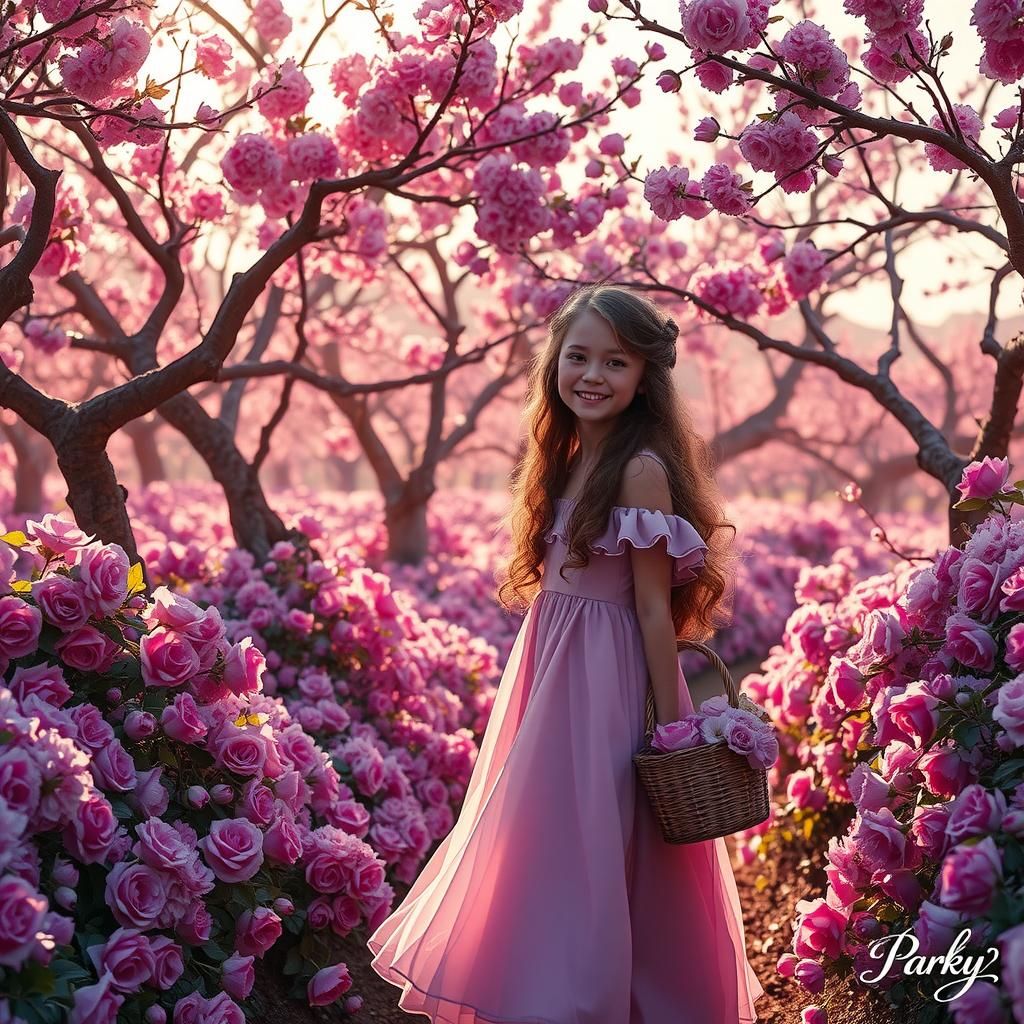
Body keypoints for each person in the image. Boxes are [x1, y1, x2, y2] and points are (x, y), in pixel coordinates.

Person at [366, 284, 765, 1023]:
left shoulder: (641, 468)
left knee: (604, 834)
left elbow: (650, 606)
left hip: (606, 672)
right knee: (546, 833)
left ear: (645, 376)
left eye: (615, 362)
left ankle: (596, 997)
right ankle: (542, 986)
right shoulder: (571, 454)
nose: (592, 375)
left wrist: (671, 720)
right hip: (552, 665)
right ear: (554, 364)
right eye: (577, 357)